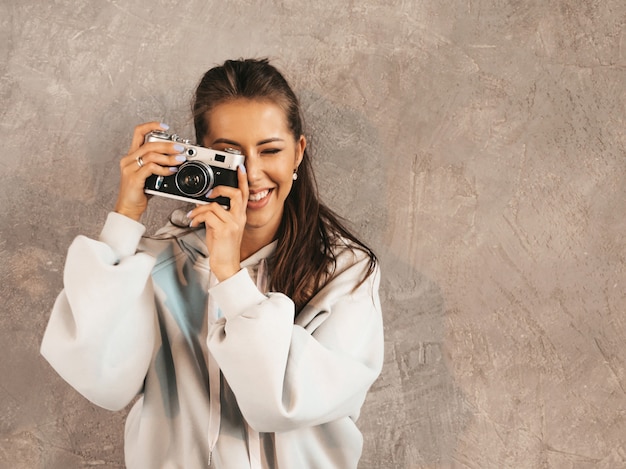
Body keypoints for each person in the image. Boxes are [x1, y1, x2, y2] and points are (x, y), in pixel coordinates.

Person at [41, 58, 383, 469]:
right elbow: (96, 376)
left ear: (298, 153)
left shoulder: (346, 272)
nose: (252, 175)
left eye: (270, 150)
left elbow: (286, 403)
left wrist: (230, 277)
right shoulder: (157, 261)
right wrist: (125, 217)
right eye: (229, 155)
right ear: (202, 155)